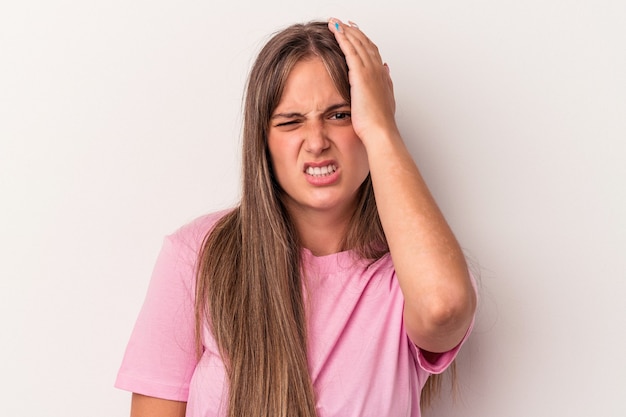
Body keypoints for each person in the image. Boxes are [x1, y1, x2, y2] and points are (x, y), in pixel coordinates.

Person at [115, 18, 477, 417]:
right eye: (290, 122)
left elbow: (443, 307)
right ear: (263, 141)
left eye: (340, 115)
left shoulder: (409, 272)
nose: (317, 142)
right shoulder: (197, 255)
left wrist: (381, 128)